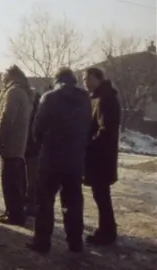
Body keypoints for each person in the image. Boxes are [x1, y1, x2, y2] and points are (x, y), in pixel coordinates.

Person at [26, 68, 91, 254]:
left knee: (45, 202)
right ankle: (75, 243)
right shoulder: (85, 100)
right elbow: (88, 128)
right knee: (73, 203)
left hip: (50, 161)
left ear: (56, 80)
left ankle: (42, 242)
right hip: (75, 161)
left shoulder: (49, 98)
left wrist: (43, 145)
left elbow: (37, 130)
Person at [0, 65, 34, 226]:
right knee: (17, 180)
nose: (2, 77)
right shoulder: (22, 91)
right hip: (19, 144)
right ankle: (14, 211)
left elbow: (6, 118)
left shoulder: (13, 92)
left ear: (11, 75)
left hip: (11, 143)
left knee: (10, 181)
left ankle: (14, 214)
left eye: (4, 74)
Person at [83, 67, 121, 246]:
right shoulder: (99, 97)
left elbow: (106, 130)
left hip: (101, 157)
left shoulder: (106, 99)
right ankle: (106, 229)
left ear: (98, 79)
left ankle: (107, 232)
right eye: (84, 79)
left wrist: (89, 143)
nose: (86, 82)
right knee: (100, 194)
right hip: (99, 155)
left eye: (88, 79)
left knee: (102, 195)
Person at [24, 89, 42, 217]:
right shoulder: (38, 111)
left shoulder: (32, 112)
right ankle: (31, 204)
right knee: (32, 178)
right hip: (33, 148)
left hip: (31, 148)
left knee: (31, 178)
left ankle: (31, 204)